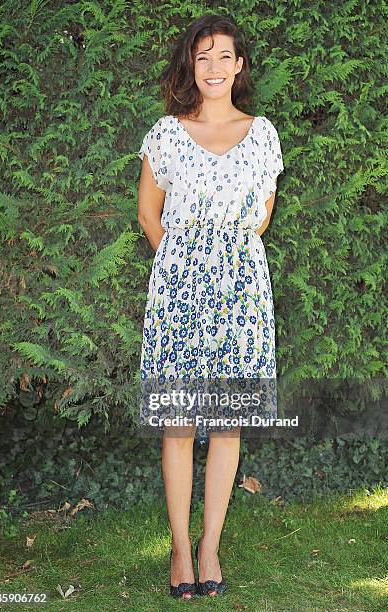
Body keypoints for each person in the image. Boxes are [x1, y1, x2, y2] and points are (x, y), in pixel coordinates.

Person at [137, 14, 284, 599]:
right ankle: (178, 548)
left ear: (240, 64)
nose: (215, 68)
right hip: (179, 291)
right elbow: (150, 214)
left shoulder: (263, 132)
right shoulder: (166, 134)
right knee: (179, 424)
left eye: (225, 56)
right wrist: (182, 268)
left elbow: (263, 214)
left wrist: (226, 258)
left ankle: (210, 545)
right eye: (203, 57)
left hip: (243, 292)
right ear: (189, 66)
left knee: (226, 426)